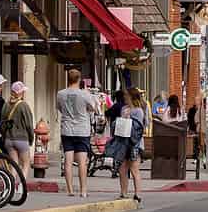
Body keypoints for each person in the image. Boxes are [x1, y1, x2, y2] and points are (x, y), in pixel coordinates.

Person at [55, 68, 101, 197]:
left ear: (67, 79)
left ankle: (70, 190)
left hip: (67, 129)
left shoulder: (60, 94)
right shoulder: (84, 94)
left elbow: (59, 108)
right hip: (82, 130)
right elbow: (94, 109)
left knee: (68, 161)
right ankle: (83, 190)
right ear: (79, 80)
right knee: (82, 162)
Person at [105, 84, 144, 200]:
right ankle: (123, 192)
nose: (125, 97)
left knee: (134, 169)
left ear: (132, 97)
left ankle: (137, 194)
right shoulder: (124, 109)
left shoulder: (138, 111)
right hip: (123, 142)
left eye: (127, 95)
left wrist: (128, 120)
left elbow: (138, 128)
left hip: (134, 144)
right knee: (122, 168)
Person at [2, 80, 36, 178]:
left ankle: (12, 186)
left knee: (14, 165)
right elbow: (29, 125)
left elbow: (3, 123)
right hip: (21, 139)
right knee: (25, 163)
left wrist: (5, 136)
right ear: (20, 93)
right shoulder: (23, 105)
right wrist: (31, 139)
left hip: (8, 139)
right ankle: (22, 186)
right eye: (23, 91)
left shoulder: (6, 105)